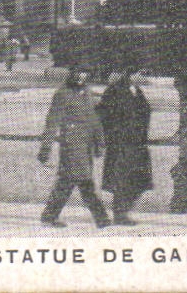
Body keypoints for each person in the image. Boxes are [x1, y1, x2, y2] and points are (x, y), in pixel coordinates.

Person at [37, 69, 109, 228]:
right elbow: (52, 122)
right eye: (78, 72)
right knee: (83, 181)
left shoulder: (87, 92)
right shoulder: (62, 93)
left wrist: (99, 143)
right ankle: (101, 218)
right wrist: (45, 148)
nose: (81, 76)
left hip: (85, 146)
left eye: (85, 73)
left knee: (68, 181)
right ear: (72, 73)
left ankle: (49, 216)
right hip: (71, 146)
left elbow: (94, 120)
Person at [95, 65, 152, 226]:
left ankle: (123, 211)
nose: (144, 77)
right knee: (122, 180)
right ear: (131, 74)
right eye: (141, 73)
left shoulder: (136, 90)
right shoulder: (115, 90)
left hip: (137, 143)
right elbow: (103, 113)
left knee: (139, 180)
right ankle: (120, 214)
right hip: (121, 144)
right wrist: (113, 135)